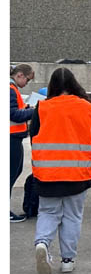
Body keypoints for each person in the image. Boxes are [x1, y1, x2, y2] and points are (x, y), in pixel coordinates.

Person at [29, 67, 91, 274]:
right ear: (74, 84)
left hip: (47, 172)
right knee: (72, 216)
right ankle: (68, 260)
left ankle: (42, 243)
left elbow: (33, 136)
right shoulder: (88, 108)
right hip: (78, 172)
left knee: (48, 212)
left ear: (52, 86)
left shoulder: (42, 107)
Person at [10, 64, 35, 222]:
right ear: (20, 75)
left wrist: (27, 107)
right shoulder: (10, 90)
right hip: (11, 137)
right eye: (27, 79)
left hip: (14, 137)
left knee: (15, 171)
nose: (27, 83)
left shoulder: (13, 89)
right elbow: (13, 114)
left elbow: (16, 108)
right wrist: (35, 111)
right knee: (10, 174)